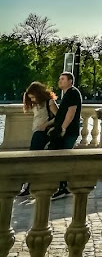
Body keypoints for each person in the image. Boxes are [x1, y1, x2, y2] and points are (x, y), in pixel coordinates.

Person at [17, 81, 59, 197]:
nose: (32, 100)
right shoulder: (36, 104)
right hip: (37, 132)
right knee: (32, 158)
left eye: (33, 97)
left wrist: (46, 125)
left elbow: (58, 117)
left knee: (32, 159)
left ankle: (28, 185)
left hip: (43, 133)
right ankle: (28, 185)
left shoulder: (49, 102)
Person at [48, 71, 83, 199]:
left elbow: (71, 112)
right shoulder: (67, 93)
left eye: (63, 79)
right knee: (61, 157)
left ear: (70, 81)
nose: (60, 81)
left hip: (68, 132)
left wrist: (63, 128)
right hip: (65, 131)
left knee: (63, 158)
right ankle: (63, 185)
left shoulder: (72, 93)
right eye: (60, 79)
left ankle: (63, 186)